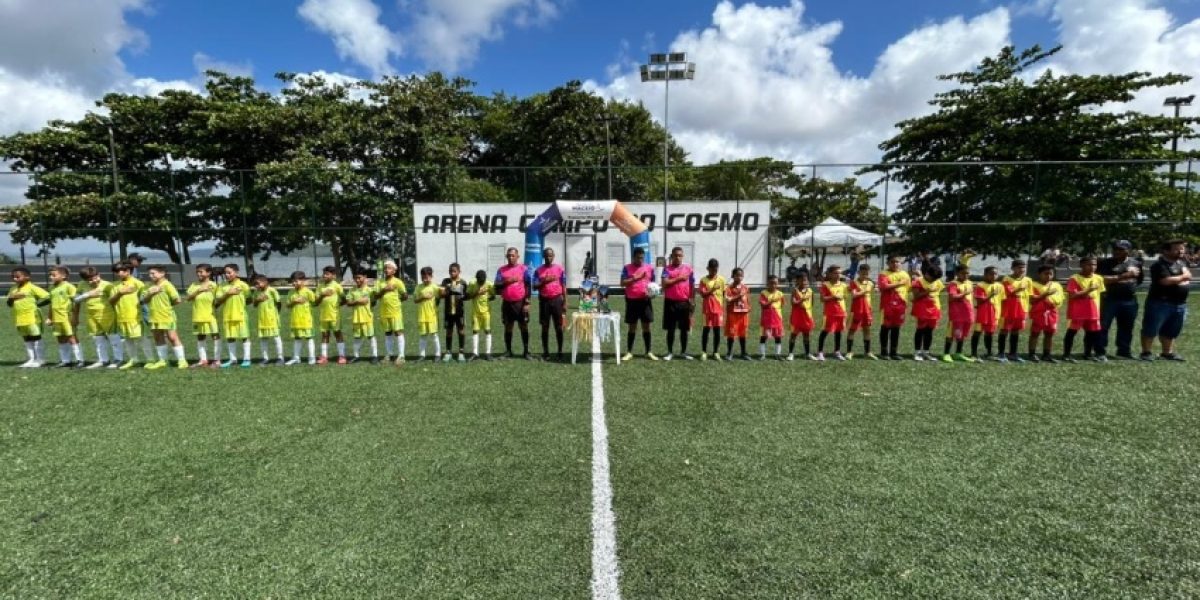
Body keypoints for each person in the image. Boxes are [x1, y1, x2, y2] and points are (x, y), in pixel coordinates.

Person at [1140, 239, 1191, 361]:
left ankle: (1167, 353)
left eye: (1182, 248)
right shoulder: (1158, 266)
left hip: (1180, 304)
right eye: (1177, 249)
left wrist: (1179, 278)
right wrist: (1183, 277)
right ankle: (1146, 352)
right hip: (1160, 302)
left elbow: (1186, 278)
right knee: (1151, 328)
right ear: (1165, 251)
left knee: (1172, 330)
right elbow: (1166, 281)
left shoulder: (1182, 264)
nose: (1181, 251)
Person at [1096, 241, 1142, 359]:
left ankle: (1124, 351)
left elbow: (1139, 280)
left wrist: (1120, 281)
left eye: (1121, 249)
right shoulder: (1105, 263)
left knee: (1127, 327)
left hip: (1129, 300)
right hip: (1109, 299)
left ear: (1129, 251)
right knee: (1103, 326)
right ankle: (1100, 351)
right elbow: (1101, 279)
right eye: (1115, 249)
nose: (1117, 251)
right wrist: (1123, 276)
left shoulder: (1136, 263)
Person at [139, 265, 188, 370]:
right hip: (153, 316)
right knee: (158, 337)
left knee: (172, 337)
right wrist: (151, 294)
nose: (151, 276)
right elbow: (143, 301)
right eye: (149, 274)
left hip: (167, 316)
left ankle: (182, 360)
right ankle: (163, 360)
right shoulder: (148, 286)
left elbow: (177, 300)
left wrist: (166, 307)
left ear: (162, 273)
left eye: (153, 273)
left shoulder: (167, 285)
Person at [73, 266, 122, 369]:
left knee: (113, 337)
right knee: (97, 338)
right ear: (85, 280)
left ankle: (118, 359)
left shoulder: (107, 285)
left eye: (96, 277)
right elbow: (75, 299)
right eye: (90, 280)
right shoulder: (82, 285)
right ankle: (103, 360)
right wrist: (88, 294)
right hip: (91, 315)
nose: (94, 280)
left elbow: (115, 300)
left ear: (99, 275)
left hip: (107, 315)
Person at [1063, 256, 1106, 363]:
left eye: (1094, 264)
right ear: (1081, 265)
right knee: (1072, 332)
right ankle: (1066, 354)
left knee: (1091, 333)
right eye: (1089, 264)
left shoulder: (1098, 278)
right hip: (1077, 311)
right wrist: (1088, 290)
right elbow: (1072, 296)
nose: (1092, 267)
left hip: (1093, 311)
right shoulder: (1075, 278)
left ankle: (1087, 354)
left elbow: (1098, 294)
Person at [8, 266, 50, 368]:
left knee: (36, 336)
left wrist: (38, 305)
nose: (15, 279)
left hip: (32, 316)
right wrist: (12, 298)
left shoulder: (32, 287)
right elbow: (9, 304)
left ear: (27, 277)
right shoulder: (13, 289)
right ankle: (31, 359)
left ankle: (40, 359)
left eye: (18, 277)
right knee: (26, 338)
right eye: (13, 277)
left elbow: (48, 297)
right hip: (19, 318)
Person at [621, 247, 657, 361]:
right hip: (632, 301)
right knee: (632, 327)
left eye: (642, 257)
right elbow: (622, 283)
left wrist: (652, 293)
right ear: (633, 257)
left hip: (645, 301)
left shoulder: (650, 268)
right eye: (638, 258)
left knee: (646, 326)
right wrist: (636, 278)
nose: (640, 260)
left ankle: (648, 351)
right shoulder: (627, 268)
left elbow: (653, 284)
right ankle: (629, 352)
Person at [495, 247, 532, 359]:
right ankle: (508, 351)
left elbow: (528, 285)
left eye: (513, 255)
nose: (511, 257)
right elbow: (496, 285)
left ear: (517, 257)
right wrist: (507, 281)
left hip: (520, 303)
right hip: (507, 303)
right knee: (508, 327)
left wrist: (527, 302)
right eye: (509, 255)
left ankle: (526, 352)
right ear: (506, 257)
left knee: (523, 326)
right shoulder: (501, 270)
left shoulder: (524, 269)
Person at [109, 261, 146, 369]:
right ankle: (133, 359)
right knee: (128, 339)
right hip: (121, 317)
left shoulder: (137, 283)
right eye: (116, 271)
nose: (118, 273)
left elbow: (144, 298)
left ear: (128, 271)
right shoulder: (115, 286)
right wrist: (120, 293)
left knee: (140, 338)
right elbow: (111, 301)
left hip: (135, 316)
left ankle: (150, 359)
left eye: (119, 271)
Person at [661, 246, 696, 361]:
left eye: (680, 255)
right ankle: (670, 352)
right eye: (675, 255)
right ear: (672, 256)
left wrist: (692, 300)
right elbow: (664, 284)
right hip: (670, 302)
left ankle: (683, 352)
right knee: (670, 329)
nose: (678, 257)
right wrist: (679, 279)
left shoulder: (689, 269)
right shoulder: (666, 269)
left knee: (684, 329)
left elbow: (692, 286)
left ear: (682, 256)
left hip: (684, 303)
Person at [215, 263, 252, 369]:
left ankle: (247, 359)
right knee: (230, 337)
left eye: (229, 272)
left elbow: (249, 299)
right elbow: (218, 300)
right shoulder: (222, 286)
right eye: (225, 273)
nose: (227, 275)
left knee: (245, 337)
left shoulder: (243, 285)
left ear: (236, 272)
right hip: (228, 315)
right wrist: (228, 293)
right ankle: (233, 359)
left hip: (240, 315)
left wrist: (240, 306)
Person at [46, 266, 83, 368]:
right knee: (60, 338)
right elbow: (51, 304)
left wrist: (75, 316)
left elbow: (77, 302)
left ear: (64, 276)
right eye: (50, 275)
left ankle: (80, 359)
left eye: (54, 275)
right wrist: (49, 317)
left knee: (72, 337)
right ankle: (65, 360)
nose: (51, 277)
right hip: (57, 318)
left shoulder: (69, 287)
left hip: (67, 317)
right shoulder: (52, 288)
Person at [1025, 265, 1063, 363]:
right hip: (1038, 312)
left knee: (1049, 334)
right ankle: (1032, 354)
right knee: (1035, 333)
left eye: (1051, 274)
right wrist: (1046, 295)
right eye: (1046, 274)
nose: (1048, 276)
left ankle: (1047, 354)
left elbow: (1060, 298)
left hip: (1052, 313)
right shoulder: (1033, 285)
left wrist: (1052, 301)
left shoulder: (1056, 285)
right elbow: (1032, 300)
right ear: (1039, 274)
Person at [185, 264, 221, 367]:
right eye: (197, 272)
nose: (198, 274)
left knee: (215, 336)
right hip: (198, 316)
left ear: (208, 273)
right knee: (200, 337)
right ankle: (203, 360)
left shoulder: (214, 285)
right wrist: (198, 291)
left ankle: (217, 360)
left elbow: (218, 300)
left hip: (210, 316)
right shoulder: (194, 285)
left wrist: (215, 308)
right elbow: (188, 298)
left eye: (201, 271)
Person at [373, 260, 408, 363]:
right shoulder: (380, 282)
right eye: (385, 268)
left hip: (395, 312)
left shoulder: (398, 282)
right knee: (388, 333)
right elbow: (375, 296)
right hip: (384, 312)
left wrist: (398, 301)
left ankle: (401, 356)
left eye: (389, 268)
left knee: (398, 332)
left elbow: (405, 295)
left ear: (394, 271)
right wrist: (385, 290)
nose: (386, 270)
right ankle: (389, 354)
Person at [534, 250, 567, 361]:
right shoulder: (538, 270)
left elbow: (563, 285)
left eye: (550, 255)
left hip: (557, 300)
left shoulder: (560, 269)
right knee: (545, 327)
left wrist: (565, 302)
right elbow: (534, 286)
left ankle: (560, 351)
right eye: (546, 255)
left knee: (559, 327)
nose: (548, 257)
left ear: (553, 256)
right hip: (544, 301)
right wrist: (544, 281)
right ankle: (546, 352)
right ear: (543, 256)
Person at [877, 255, 911, 360]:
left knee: (896, 328)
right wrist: (899, 283)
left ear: (900, 263)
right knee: (885, 328)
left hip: (900, 305)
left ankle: (894, 352)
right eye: (892, 262)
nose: (895, 264)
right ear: (888, 263)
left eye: (897, 262)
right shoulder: (883, 274)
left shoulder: (905, 274)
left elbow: (908, 288)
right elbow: (883, 287)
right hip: (887, 305)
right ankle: (884, 352)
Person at [997, 260, 1032, 363]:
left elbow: (1029, 295)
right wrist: (1019, 289)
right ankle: (1001, 353)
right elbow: (1009, 292)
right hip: (1008, 309)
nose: (1022, 270)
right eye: (1019, 267)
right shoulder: (1006, 279)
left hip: (1022, 309)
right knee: (1004, 330)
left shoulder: (1028, 280)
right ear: (1013, 268)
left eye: (1023, 268)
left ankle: (1013, 353)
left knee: (1016, 330)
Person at [909, 264, 944, 361]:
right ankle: (917, 352)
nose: (933, 280)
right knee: (920, 330)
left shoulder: (938, 282)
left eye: (935, 279)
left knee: (929, 331)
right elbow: (915, 297)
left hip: (934, 309)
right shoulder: (918, 282)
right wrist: (926, 292)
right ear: (927, 274)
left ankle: (926, 351)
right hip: (922, 309)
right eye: (932, 278)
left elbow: (939, 291)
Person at [249, 273, 285, 366]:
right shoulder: (257, 292)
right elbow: (255, 304)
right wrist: (257, 300)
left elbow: (279, 303)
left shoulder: (272, 291)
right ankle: (265, 358)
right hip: (262, 319)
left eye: (258, 283)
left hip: (272, 319)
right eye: (255, 284)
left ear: (265, 282)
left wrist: (276, 314)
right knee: (263, 339)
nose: (256, 286)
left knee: (276, 337)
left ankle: (280, 357)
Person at [345, 269, 379, 364]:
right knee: (357, 337)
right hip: (356, 318)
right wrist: (357, 301)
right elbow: (348, 303)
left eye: (359, 277)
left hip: (367, 318)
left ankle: (375, 356)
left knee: (371, 336)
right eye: (355, 278)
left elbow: (374, 302)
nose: (357, 280)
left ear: (365, 277)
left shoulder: (370, 290)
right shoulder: (352, 290)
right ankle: (356, 356)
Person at [943, 265, 975, 362]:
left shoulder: (970, 283)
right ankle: (946, 353)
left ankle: (958, 353)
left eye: (967, 273)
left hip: (968, 313)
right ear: (957, 274)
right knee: (951, 333)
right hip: (956, 314)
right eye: (963, 273)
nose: (966, 275)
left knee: (962, 334)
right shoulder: (953, 284)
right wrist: (964, 293)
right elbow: (952, 297)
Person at [970, 266, 1003, 361]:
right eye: (991, 274)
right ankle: (974, 353)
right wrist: (991, 295)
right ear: (985, 275)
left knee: (990, 333)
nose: (993, 276)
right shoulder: (980, 285)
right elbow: (980, 301)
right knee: (977, 332)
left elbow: (1002, 300)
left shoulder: (1000, 286)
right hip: (982, 314)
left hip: (995, 313)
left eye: (995, 274)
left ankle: (989, 353)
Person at [286, 271, 318, 366]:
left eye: (296, 281)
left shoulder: (308, 292)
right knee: (297, 338)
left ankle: (312, 357)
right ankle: (296, 358)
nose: (294, 283)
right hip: (295, 320)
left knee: (309, 337)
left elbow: (315, 303)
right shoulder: (291, 292)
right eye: (293, 281)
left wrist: (305, 302)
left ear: (303, 281)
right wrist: (294, 302)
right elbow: (288, 305)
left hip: (306, 320)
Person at [316, 265, 346, 365]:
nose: (324, 276)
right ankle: (324, 356)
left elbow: (344, 299)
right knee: (324, 335)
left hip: (334, 315)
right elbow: (316, 302)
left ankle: (342, 356)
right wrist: (322, 295)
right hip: (323, 315)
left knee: (337, 333)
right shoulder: (320, 286)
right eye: (324, 274)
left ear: (333, 276)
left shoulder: (337, 286)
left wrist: (337, 306)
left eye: (327, 274)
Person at [817, 265, 848, 361]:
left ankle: (837, 351)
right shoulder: (825, 285)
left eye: (839, 273)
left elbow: (845, 296)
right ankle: (820, 352)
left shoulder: (843, 285)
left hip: (841, 312)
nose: (838, 275)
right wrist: (834, 297)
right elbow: (823, 299)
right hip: (830, 313)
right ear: (829, 274)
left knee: (838, 332)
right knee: (825, 331)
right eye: (836, 273)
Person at [697, 258, 726, 361]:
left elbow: (723, 293)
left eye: (715, 270)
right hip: (707, 310)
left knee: (717, 331)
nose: (714, 272)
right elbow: (703, 294)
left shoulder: (722, 280)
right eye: (712, 269)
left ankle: (716, 352)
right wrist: (712, 289)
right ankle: (704, 352)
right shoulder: (703, 280)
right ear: (707, 268)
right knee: (706, 330)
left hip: (718, 310)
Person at [441, 262, 469, 363]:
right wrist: (446, 290)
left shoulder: (463, 282)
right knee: (449, 331)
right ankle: (448, 352)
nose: (451, 273)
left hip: (459, 312)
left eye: (454, 271)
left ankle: (461, 352)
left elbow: (466, 296)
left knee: (461, 331)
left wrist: (463, 295)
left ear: (459, 271)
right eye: (450, 271)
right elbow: (442, 294)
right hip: (448, 312)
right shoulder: (445, 281)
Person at [414, 266, 444, 361]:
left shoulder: (434, 287)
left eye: (427, 277)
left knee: (434, 335)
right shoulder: (418, 287)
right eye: (423, 278)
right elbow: (415, 300)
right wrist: (423, 297)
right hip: (422, 315)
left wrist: (443, 290)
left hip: (432, 315)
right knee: (423, 335)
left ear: (431, 276)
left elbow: (441, 295)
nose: (425, 280)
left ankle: (438, 354)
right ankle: (422, 355)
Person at [846, 264, 875, 360]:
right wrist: (864, 291)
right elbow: (854, 295)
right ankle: (849, 352)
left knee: (867, 330)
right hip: (856, 310)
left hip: (867, 310)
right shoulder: (854, 282)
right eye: (863, 274)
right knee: (852, 330)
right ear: (859, 273)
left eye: (866, 274)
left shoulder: (870, 283)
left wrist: (865, 291)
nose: (865, 276)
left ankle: (867, 352)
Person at [467, 269, 495, 361]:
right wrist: (478, 293)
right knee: (475, 331)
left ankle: (488, 353)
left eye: (482, 281)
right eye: (479, 281)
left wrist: (487, 297)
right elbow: (468, 296)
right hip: (475, 312)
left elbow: (494, 296)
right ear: (476, 279)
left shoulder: (489, 284)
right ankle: (475, 353)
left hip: (486, 312)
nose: (481, 283)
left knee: (487, 331)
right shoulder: (472, 283)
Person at [724, 267, 751, 360]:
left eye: (741, 275)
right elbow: (728, 299)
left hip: (743, 314)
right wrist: (738, 296)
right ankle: (729, 353)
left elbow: (747, 299)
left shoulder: (745, 288)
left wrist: (749, 306)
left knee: (742, 333)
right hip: (733, 314)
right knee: (732, 334)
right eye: (737, 275)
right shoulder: (728, 288)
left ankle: (743, 352)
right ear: (733, 276)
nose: (739, 277)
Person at [787, 272, 815, 361]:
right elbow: (793, 303)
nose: (804, 282)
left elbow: (812, 303)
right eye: (802, 280)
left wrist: (808, 310)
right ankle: (791, 354)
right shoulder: (795, 290)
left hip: (807, 316)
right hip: (797, 317)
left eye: (806, 280)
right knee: (793, 335)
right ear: (797, 280)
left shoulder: (810, 291)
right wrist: (801, 300)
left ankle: (807, 353)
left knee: (806, 335)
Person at [758, 274, 785, 360]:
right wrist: (771, 301)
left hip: (777, 319)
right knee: (763, 337)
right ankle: (762, 354)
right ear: (767, 284)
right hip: (766, 319)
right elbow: (763, 305)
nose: (773, 285)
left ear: (778, 284)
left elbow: (782, 304)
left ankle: (778, 354)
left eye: (775, 283)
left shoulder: (780, 294)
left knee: (778, 337)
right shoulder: (763, 293)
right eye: (771, 283)